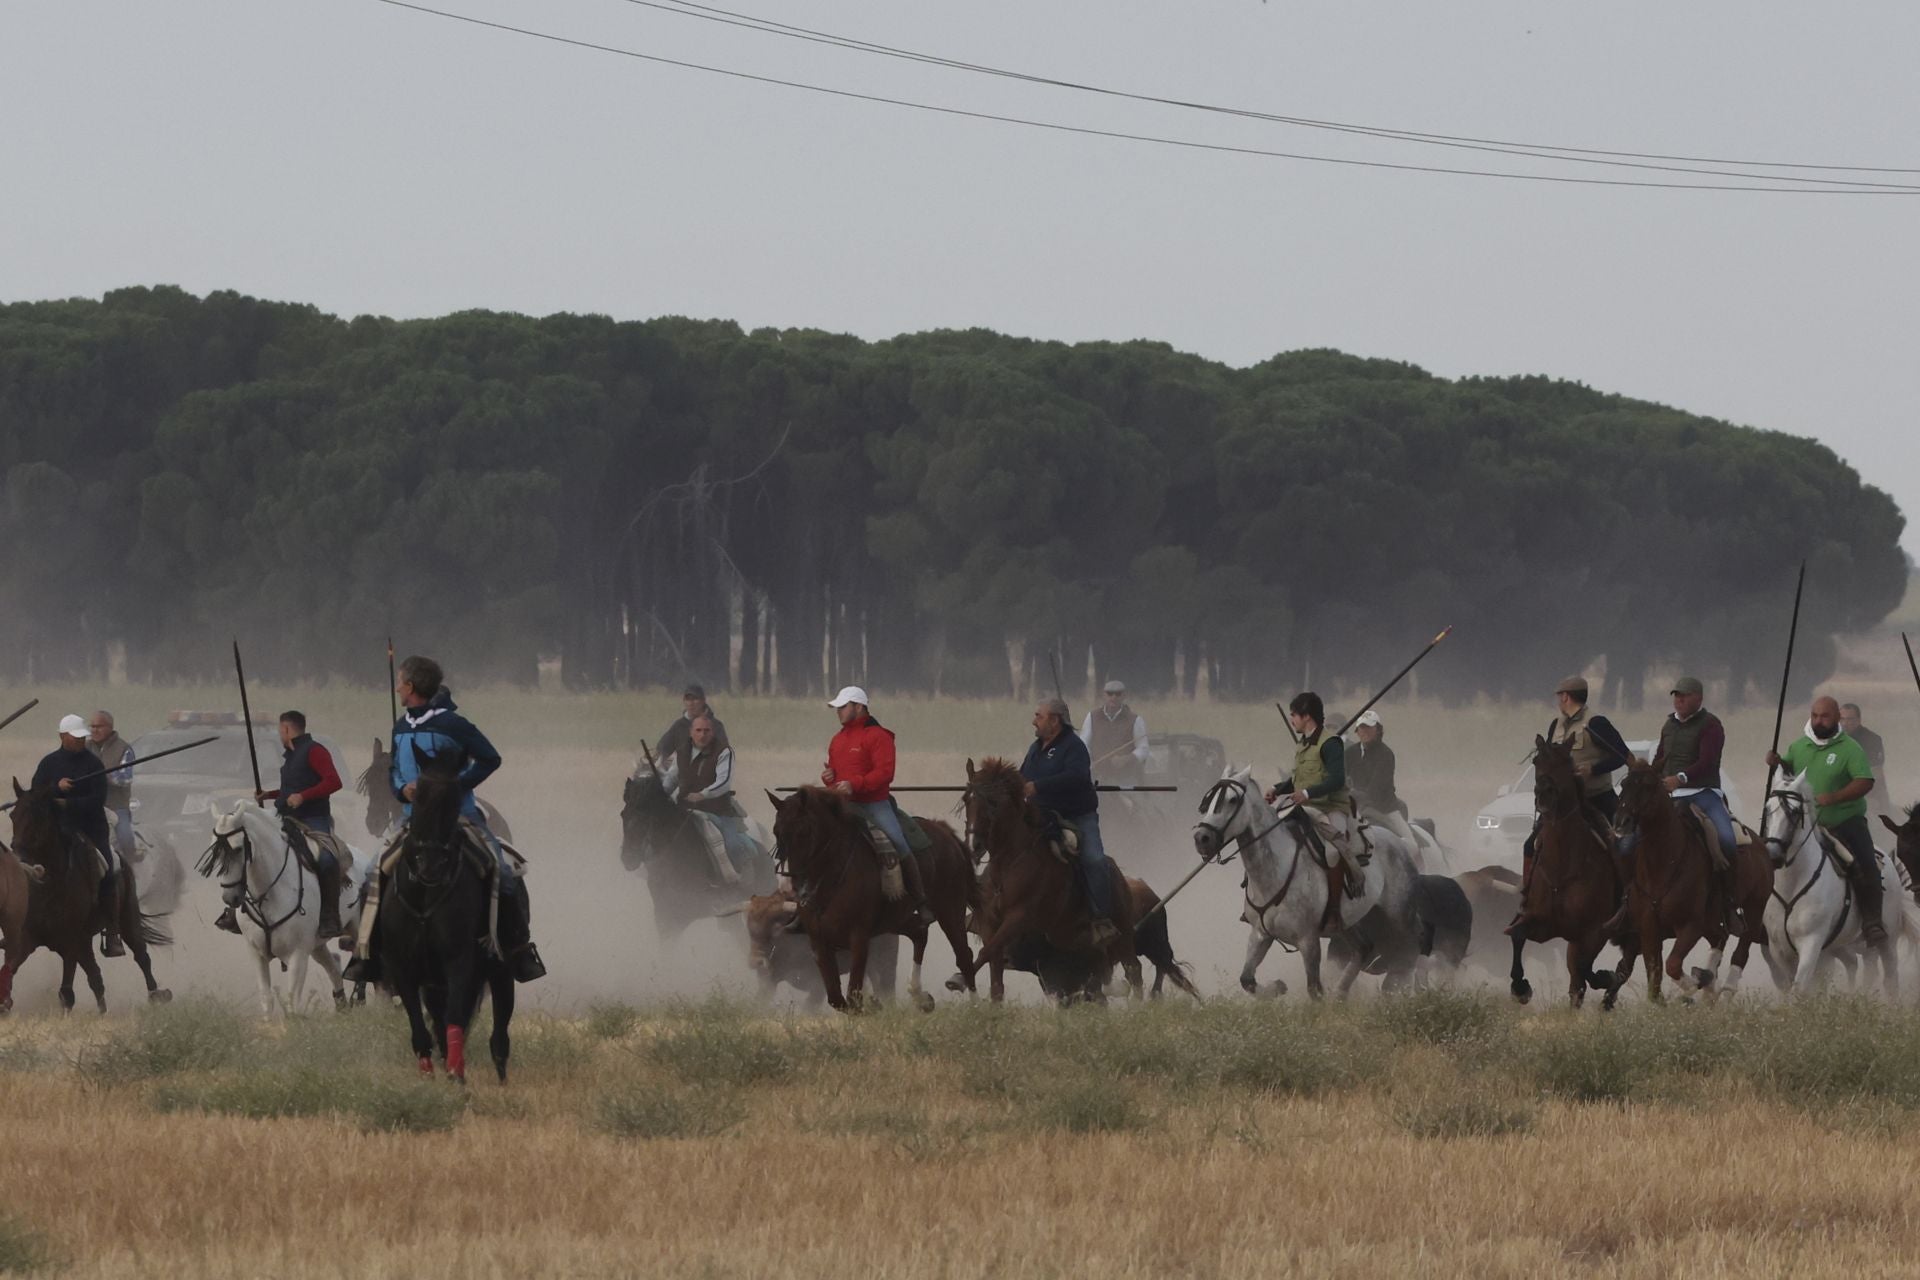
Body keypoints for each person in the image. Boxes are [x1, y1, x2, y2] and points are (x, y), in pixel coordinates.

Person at [346, 656, 545, 984]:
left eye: (399, 681)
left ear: (410, 687)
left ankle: (519, 951)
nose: (396, 687)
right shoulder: (399, 727)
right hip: (412, 820)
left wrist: (450, 788)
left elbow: (490, 758)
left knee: (504, 873)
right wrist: (401, 790)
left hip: (460, 816)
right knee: (371, 875)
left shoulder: (454, 725)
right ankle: (367, 954)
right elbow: (395, 771)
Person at [1769, 695, 1886, 947]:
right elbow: (1788, 774)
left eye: (1825, 716)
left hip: (1845, 822)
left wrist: (1834, 797)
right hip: (1805, 824)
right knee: (1771, 852)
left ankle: (1872, 921)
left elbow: (1865, 781)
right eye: (1815, 716)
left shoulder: (1850, 749)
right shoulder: (1799, 746)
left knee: (1867, 865)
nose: (1819, 721)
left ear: (1836, 719)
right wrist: (1777, 762)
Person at [229, 711, 346, 939]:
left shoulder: (315, 750)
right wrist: (269, 794)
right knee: (251, 845)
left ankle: (330, 916)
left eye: (279, 730)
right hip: (284, 817)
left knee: (327, 859)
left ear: (286, 729)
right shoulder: (291, 755)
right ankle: (240, 909)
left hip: (313, 819)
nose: (278, 734)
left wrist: (303, 796)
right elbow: (290, 790)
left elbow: (334, 781)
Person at [822, 686, 932, 927]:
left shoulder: (879, 736)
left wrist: (854, 785)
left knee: (898, 841)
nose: (838, 711)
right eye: (837, 707)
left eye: (843, 706)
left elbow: (884, 773)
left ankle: (920, 901)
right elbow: (837, 773)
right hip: (843, 804)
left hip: (874, 804)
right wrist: (829, 777)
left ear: (858, 707)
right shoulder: (838, 739)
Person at [1020, 696, 1117, 946]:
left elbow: (1076, 776)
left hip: (1077, 815)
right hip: (1042, 815)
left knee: (1094, 860)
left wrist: (1037, 786)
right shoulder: (1035, 749)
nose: (1034, 721)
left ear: (1055, 720)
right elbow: (1022, 777)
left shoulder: (1074, 747)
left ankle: (1101, 919)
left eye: (1038, 716)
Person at [35, 715, 121, 956]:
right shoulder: (48, 764)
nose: (81, 741)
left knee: (110, 870)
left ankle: (112, 931)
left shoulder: (93, 765)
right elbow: (35, 794)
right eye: (76, 737)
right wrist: (55, 788)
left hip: (90, 829)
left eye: (83, 737)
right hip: (56, 829)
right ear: (63, 737)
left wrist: (66, 804)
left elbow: (97, 801)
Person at [1267, 693, 1364, 897]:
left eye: (1294, 715)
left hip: (1331, 808)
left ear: (1307, 717)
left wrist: (1306, 793)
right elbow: (1298, 779)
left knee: (1333, 852)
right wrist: (1277, 790)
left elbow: (1337, 780)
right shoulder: (1302, 744)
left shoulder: (1331, 744)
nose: (1291, 719)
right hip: (1303, 806)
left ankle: (1335, 909)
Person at [655, 712, 750, 886]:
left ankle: (739, 883)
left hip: (718, 811)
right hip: (685, 811)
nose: (702, 734)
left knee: (733, 846)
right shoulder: (682, 753)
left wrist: (703, 794)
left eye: (706, 731)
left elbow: (724, 782)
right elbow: (670, 781)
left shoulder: (724, 752)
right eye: (698, 730)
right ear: (691, 732)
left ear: (712, 732)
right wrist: (657, 794)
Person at [1347, 710, 1418, 852]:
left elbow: (1376, 787)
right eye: (1362, 727)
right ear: (1357, 731)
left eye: (1369, 727)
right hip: (1354, 808)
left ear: (1378, 730)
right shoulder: (1349, 753)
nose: (1365, 731)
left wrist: (1354, 794)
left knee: (1412, 846)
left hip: (1384, 808)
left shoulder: (1386, 754)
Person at [85, 710, 136, 871]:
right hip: (88, 806)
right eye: (92, 726)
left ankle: (131, 867)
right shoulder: (83, 748)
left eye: (99, 726)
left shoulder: (124, 749)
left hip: (116, 807)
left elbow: (125, 778)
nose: (94, 730)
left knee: (125, 836)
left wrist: (102, 776)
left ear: (110, 727)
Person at [1080, 680, 1148, 785]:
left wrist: (1127, 759)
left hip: (1126, 777)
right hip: (1097, 776)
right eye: (1110, 693)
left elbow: (1143, 749)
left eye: (1118, 694)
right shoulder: (1091, 717)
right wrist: (1088, 761)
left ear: (1124, 696)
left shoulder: (1135, 719)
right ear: (1104, 695)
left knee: (1128, 801)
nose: (1114, 697)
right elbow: (1083, 744)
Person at [1841, 703, 1890, 820]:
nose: (1845, 723)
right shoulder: (1833, 739)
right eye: (1842, 719)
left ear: (1858, 720)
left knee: (1885, 821)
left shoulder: (1872, 739)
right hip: (1839, 792)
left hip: (1871, 792)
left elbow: (1875, 771)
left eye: (1849, 719)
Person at [657, 683, 727, 760]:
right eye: (688, 699)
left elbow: (724, 754)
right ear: (684, 701)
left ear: (703, 701)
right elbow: (662, 750)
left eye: (695, 699)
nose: (691, 703)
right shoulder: (679, 726)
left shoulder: (715, 725)